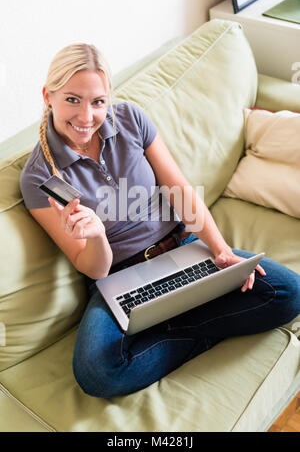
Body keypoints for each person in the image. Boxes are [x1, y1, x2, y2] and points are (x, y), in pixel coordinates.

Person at [20, 43, 300, 398]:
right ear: (49, 96)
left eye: (98, 102)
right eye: (72, 100)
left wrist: (221, 250)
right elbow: (94, 269)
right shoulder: (39, 178)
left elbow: (181, 192)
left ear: (109, 99)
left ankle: (167, 323)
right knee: (97, 372)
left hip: (180, 249)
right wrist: (96, 236)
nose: (87, 116)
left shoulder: (131, 120)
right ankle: (193, 322)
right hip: (118, 280)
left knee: (289, 292)